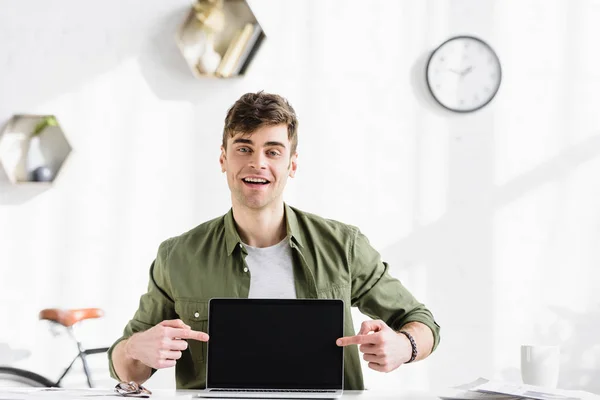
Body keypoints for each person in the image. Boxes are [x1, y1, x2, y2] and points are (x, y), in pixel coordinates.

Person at [108, 91, 441, 390]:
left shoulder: (343, 246)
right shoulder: (177, 256)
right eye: (244, 148)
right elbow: (127, 369)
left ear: (292, 164)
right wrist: (136, 348)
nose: (258, 163)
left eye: (273, 151)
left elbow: (422, 323)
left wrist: (403, 346)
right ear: (223, 158)